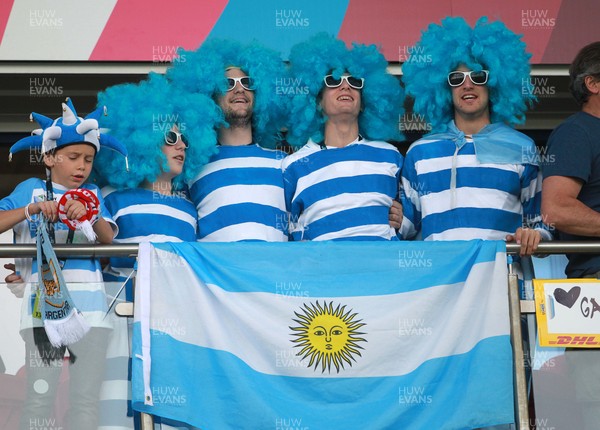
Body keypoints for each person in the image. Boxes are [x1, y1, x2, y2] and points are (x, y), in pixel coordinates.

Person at [91, 72, 219, 430]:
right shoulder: (112, 197)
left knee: (174, 406)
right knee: (119, 402)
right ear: (145, 140)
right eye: (171, 137)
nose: (182, 146)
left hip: (178, 316)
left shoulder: (190, 208)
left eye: (186, 139)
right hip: (123, 314)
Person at [0, 98, 128, 430]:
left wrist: (90, 213)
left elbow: (108, 239)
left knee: (84, 401)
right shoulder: (30, 189)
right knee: (39, 397)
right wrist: (32, 211)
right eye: (72, 157)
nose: (81, 166)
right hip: (42, 313)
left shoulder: (94, 193)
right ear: (48, 157)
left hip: (91, 315)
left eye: (88, 159)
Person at [400, 16, 550, 256]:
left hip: (500, 280)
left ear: (494, 84)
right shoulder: (420, 152)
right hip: (439, 283)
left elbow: (539, 223)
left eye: (478, 76)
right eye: (456, 79)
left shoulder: (521, 147)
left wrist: (536, 235)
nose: (467, 85)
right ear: (444, 88)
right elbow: (405, 226)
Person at [282, 33, 404, 241]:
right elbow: (288, 235)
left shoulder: (390, 155)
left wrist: (404, 220)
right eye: (334, 80)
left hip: (382, 270)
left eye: (355, 81)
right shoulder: (294, 165)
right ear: (316, 101)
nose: (346, 86)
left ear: (364, 101)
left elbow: (410, 221)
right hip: (324, 271)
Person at [166, 39, 289, 242]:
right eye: (227, 84)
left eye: (247, 83)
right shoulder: (191, 168)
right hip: (215, 273)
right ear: (209, 97)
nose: (239, 89)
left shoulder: (284, 163)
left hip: (273, 272)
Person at [541, 41, 600, 430]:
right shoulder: (576, 131)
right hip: (588, 289)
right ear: (593, 83)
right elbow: (556, 209)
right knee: (594, 408)